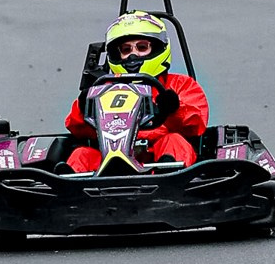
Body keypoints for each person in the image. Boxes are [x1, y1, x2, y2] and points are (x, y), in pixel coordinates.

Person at [65, 9, 209, 170]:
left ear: (157, 48)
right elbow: (77, 129)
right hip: (111, 156)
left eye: (141, 47)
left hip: (157, 154)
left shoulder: (180, 84)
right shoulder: (104, 88)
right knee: (81, 153)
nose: (133, 56)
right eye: (126, 50)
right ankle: (68, 179)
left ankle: (168, 169)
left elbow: (195, 125)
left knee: (175, 141)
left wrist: (173, 108)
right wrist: (84, 108)